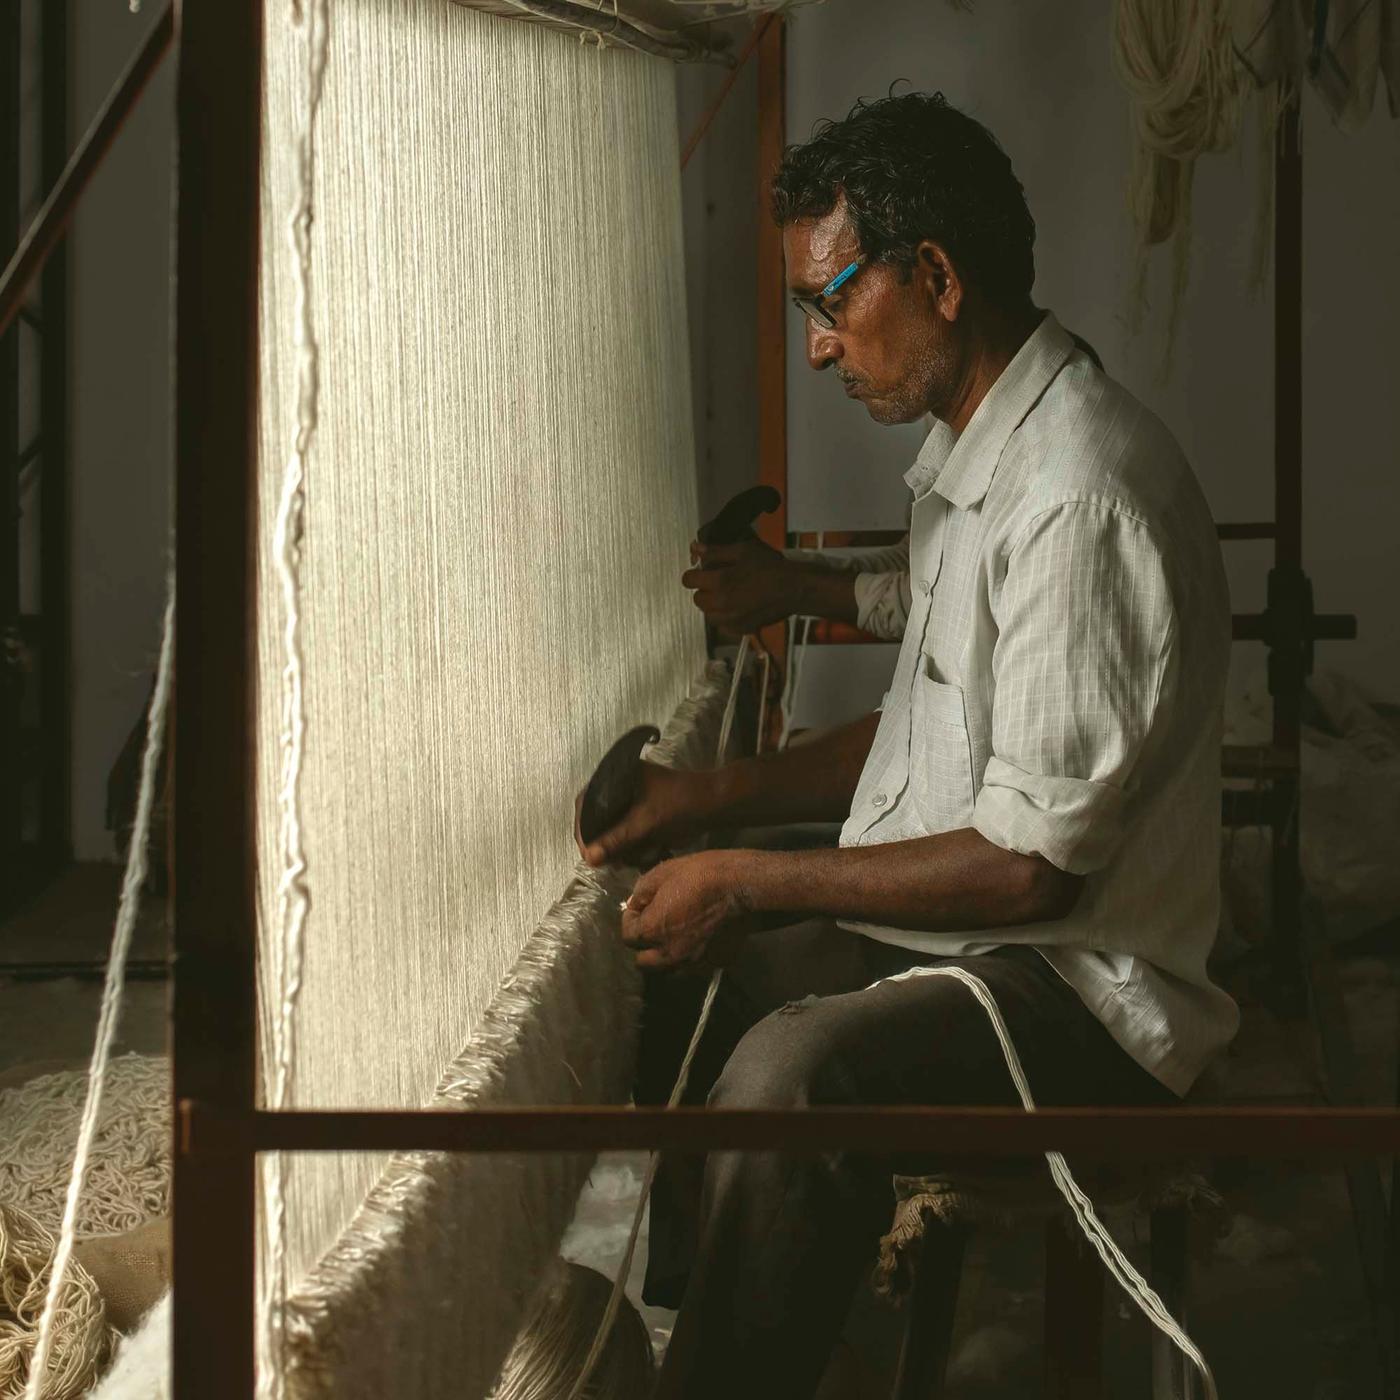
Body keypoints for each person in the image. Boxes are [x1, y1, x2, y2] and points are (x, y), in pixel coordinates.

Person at [576, 92, 1237, 1398]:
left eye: (830, 303)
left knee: (788, 1070)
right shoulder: (982, 453)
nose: (820, 348)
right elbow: (925, 718)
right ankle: (680, 1342)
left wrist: (750, 872)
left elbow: (1027, 874)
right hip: (1000, 944)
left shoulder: (1077, 496)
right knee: (699, 994)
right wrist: (700, 800)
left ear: (934, 277)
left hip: (1087, 995)